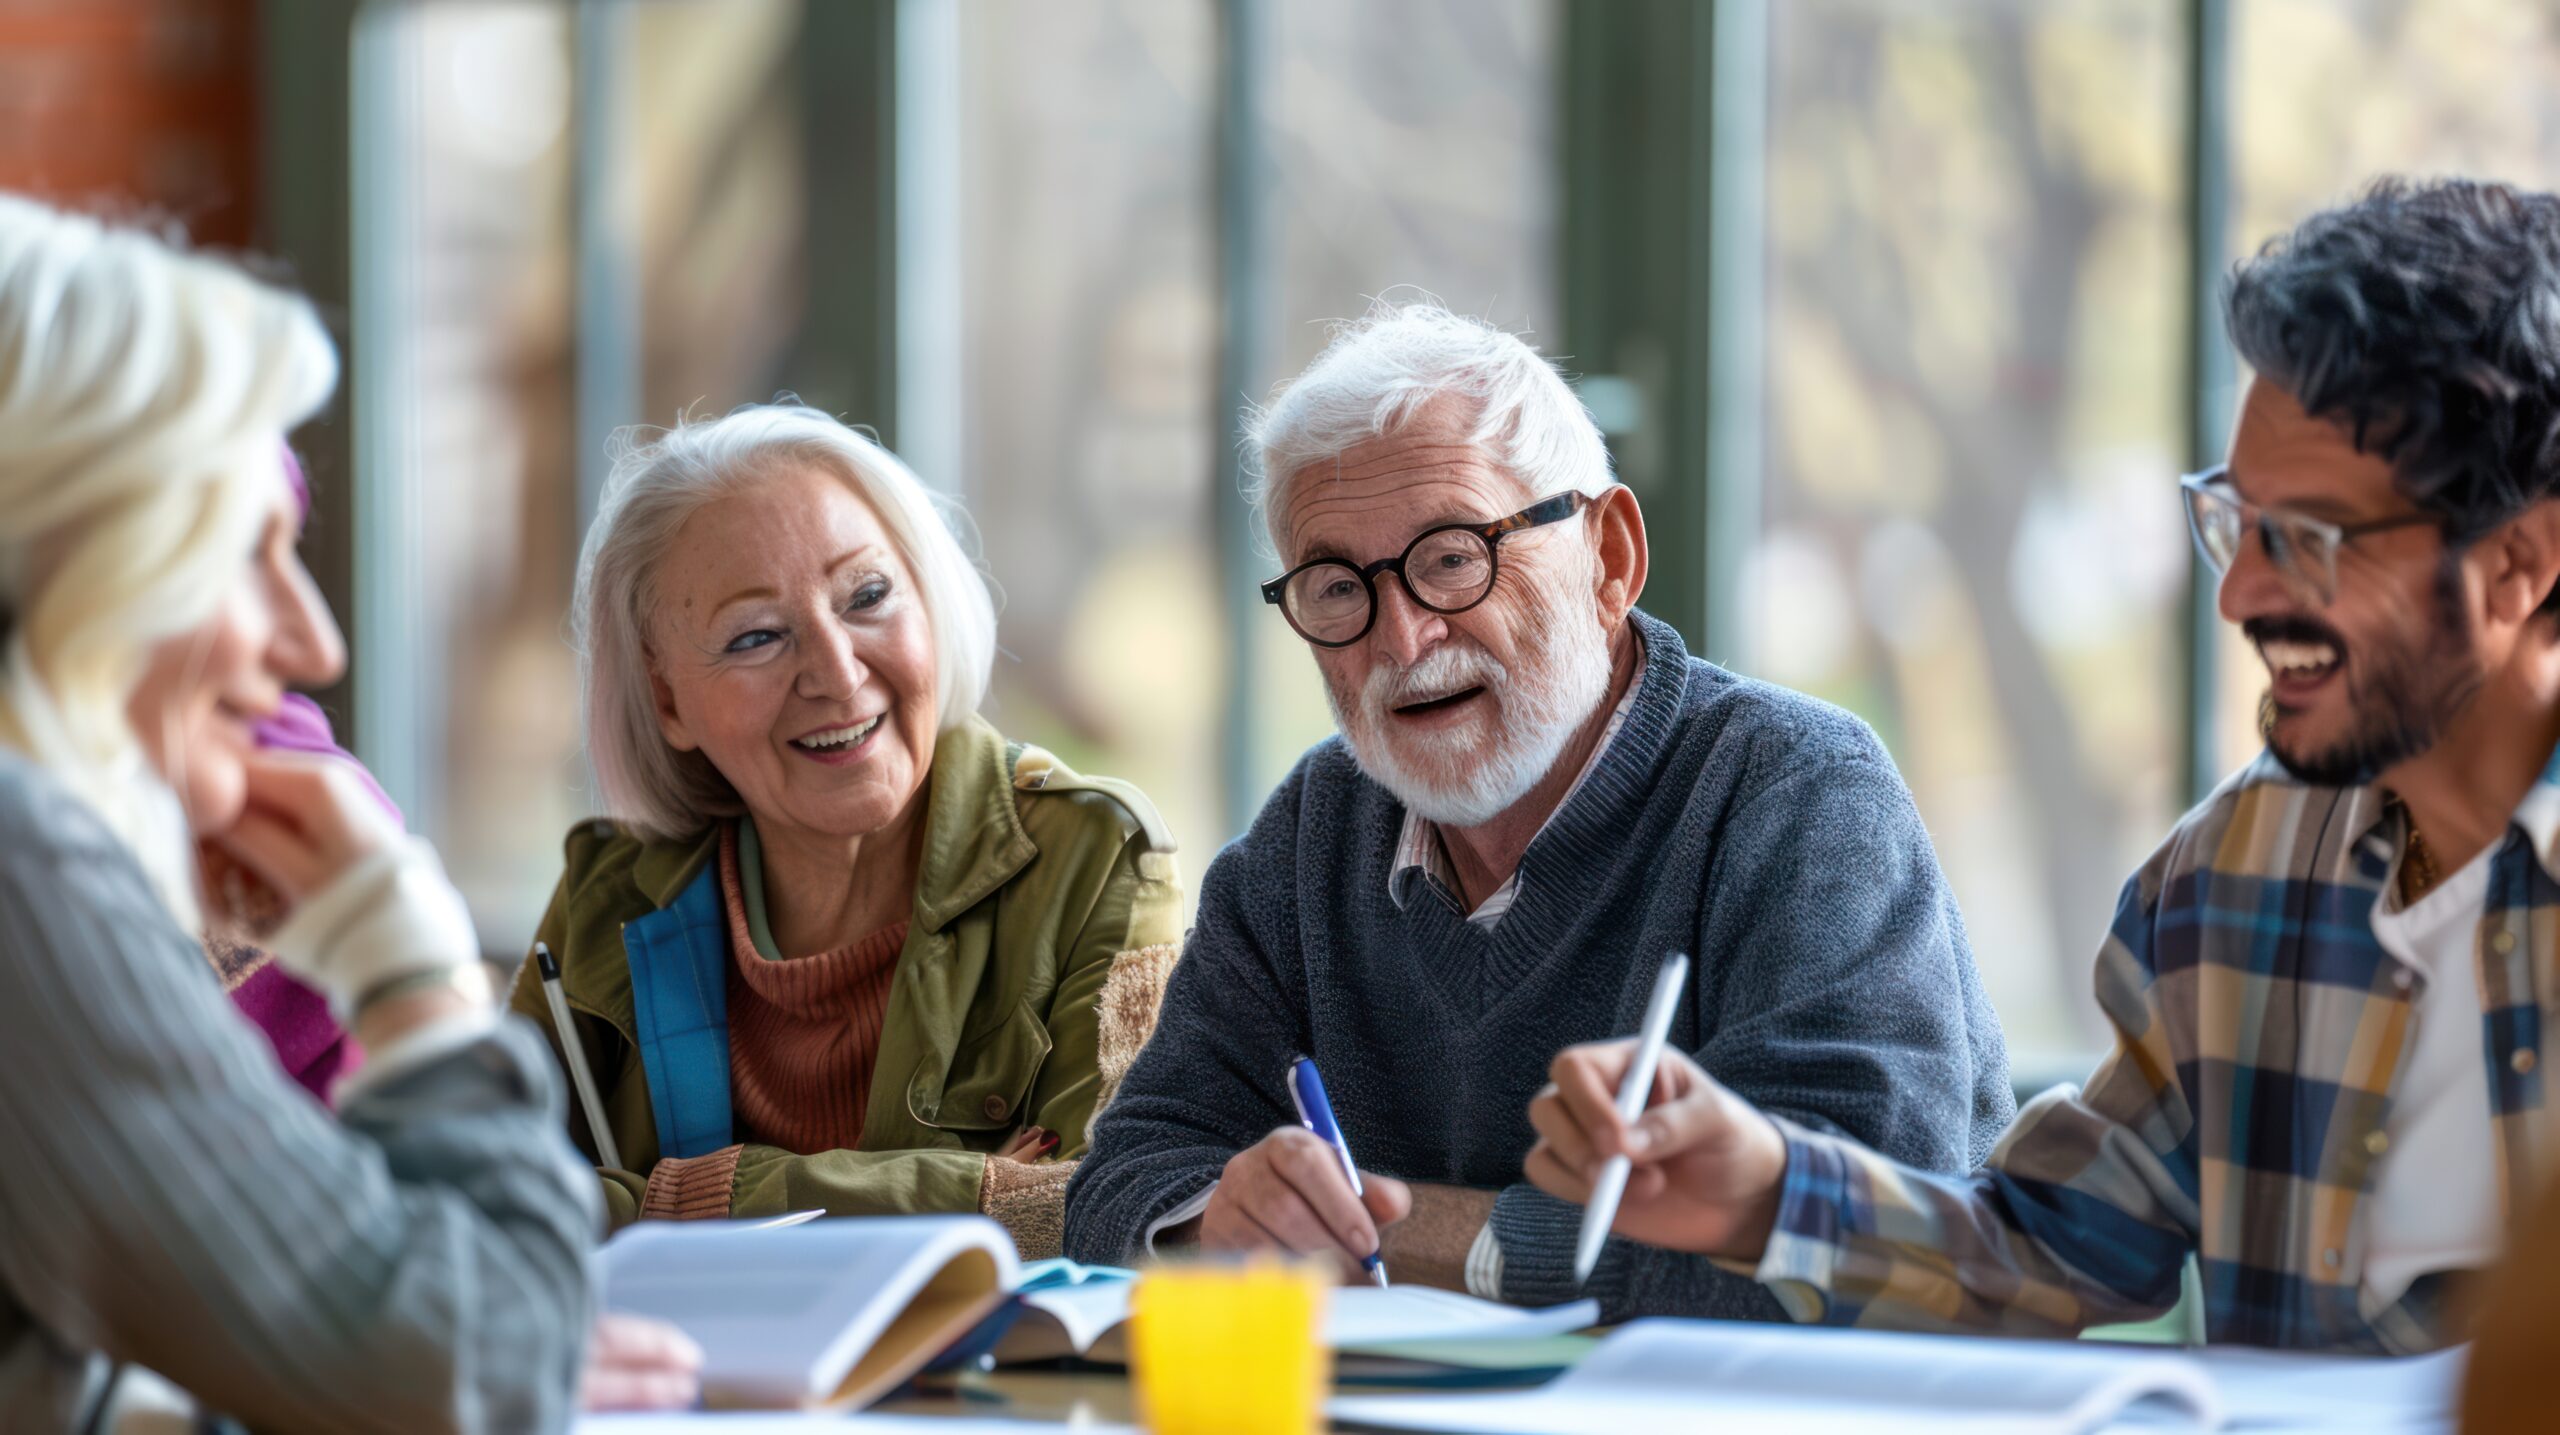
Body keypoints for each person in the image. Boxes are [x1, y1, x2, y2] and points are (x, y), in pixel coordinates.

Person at [1525, 178, 2560, 1355]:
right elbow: (2057, 1248)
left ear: (2517, 567)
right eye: (2234, 523)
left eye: (2306, 543)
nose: (2239, 595)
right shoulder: (2231, 875)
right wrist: (1764, 1193)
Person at [1063, 300, 2013, 1321]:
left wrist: (1397, 1231)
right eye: (1337, 586)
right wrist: (1218, 1221)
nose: (1402, 640)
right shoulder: (1315, 830)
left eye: (1452, 556)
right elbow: (1121, 1180)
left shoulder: (1795, 792)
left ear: (1608, 557)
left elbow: (1845, 1253)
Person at [0, 194, 595, 1429]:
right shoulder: (21, 863)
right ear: (73, 555)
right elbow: (477, 1362)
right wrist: (406, 960)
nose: (313, 642)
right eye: (241, 551)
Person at [512, 404, 1183, 1257]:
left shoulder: (1094, 858)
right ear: (668, 699)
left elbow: (1113, 1211)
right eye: (756, 636)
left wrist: (659, 1206)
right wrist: (969, 1193)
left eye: (867, 595)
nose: (835, 672)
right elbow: (478, 1206)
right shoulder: (608, 888)